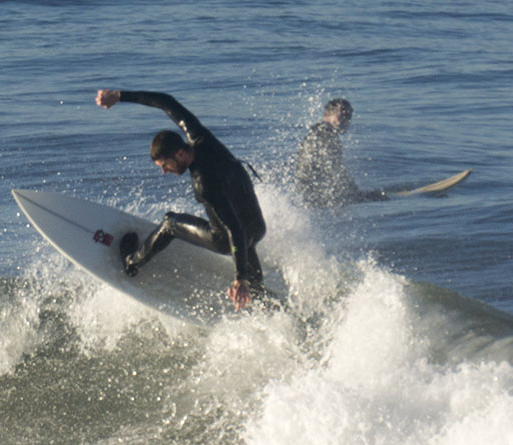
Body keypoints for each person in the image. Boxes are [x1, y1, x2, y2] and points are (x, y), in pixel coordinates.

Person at [95, 90, 266, 311]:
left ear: (180, 154)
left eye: (165, 165)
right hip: (258, 227)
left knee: (169, 223)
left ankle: (131, 263)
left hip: (228, 237)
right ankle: (263, 299)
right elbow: (167, 102)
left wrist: (240, 278)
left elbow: (233, 228)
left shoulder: (204, 184)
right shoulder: (201, 137)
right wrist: (119, 96)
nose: (165, 172)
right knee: (247, 247)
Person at [294, 98, 384, 207]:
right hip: (314, 197)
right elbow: (337, 171)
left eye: (349, 117)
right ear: (327, 115)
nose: (346, 120)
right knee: (379, 198)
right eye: (342, 116)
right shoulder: (326, 135)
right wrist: (357, 193)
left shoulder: (318, 131)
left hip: (306, 194)